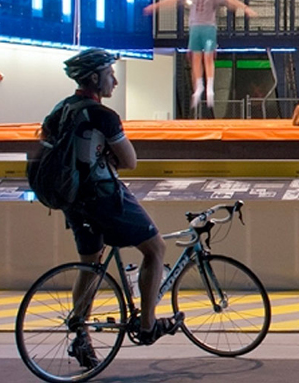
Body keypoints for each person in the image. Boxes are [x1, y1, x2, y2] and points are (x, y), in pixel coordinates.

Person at [55, 48, 182, 368]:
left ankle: (81, 336)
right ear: (95, 78)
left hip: (72, 200)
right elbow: (130, 160)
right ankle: (148, 325)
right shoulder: (104, 115)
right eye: (110, 73)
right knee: (155, 248)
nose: (114, 79)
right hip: (104, 196)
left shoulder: (60, 110)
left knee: (90, 263)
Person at [142, 0, 257, 118]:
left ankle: (209, 85)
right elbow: (173, 0)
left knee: (208, 56)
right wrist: (156, 6)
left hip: (208, 27)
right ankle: (199, 85)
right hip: (195, 28)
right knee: (196, 57)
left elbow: (230, 0)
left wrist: (246, 8)